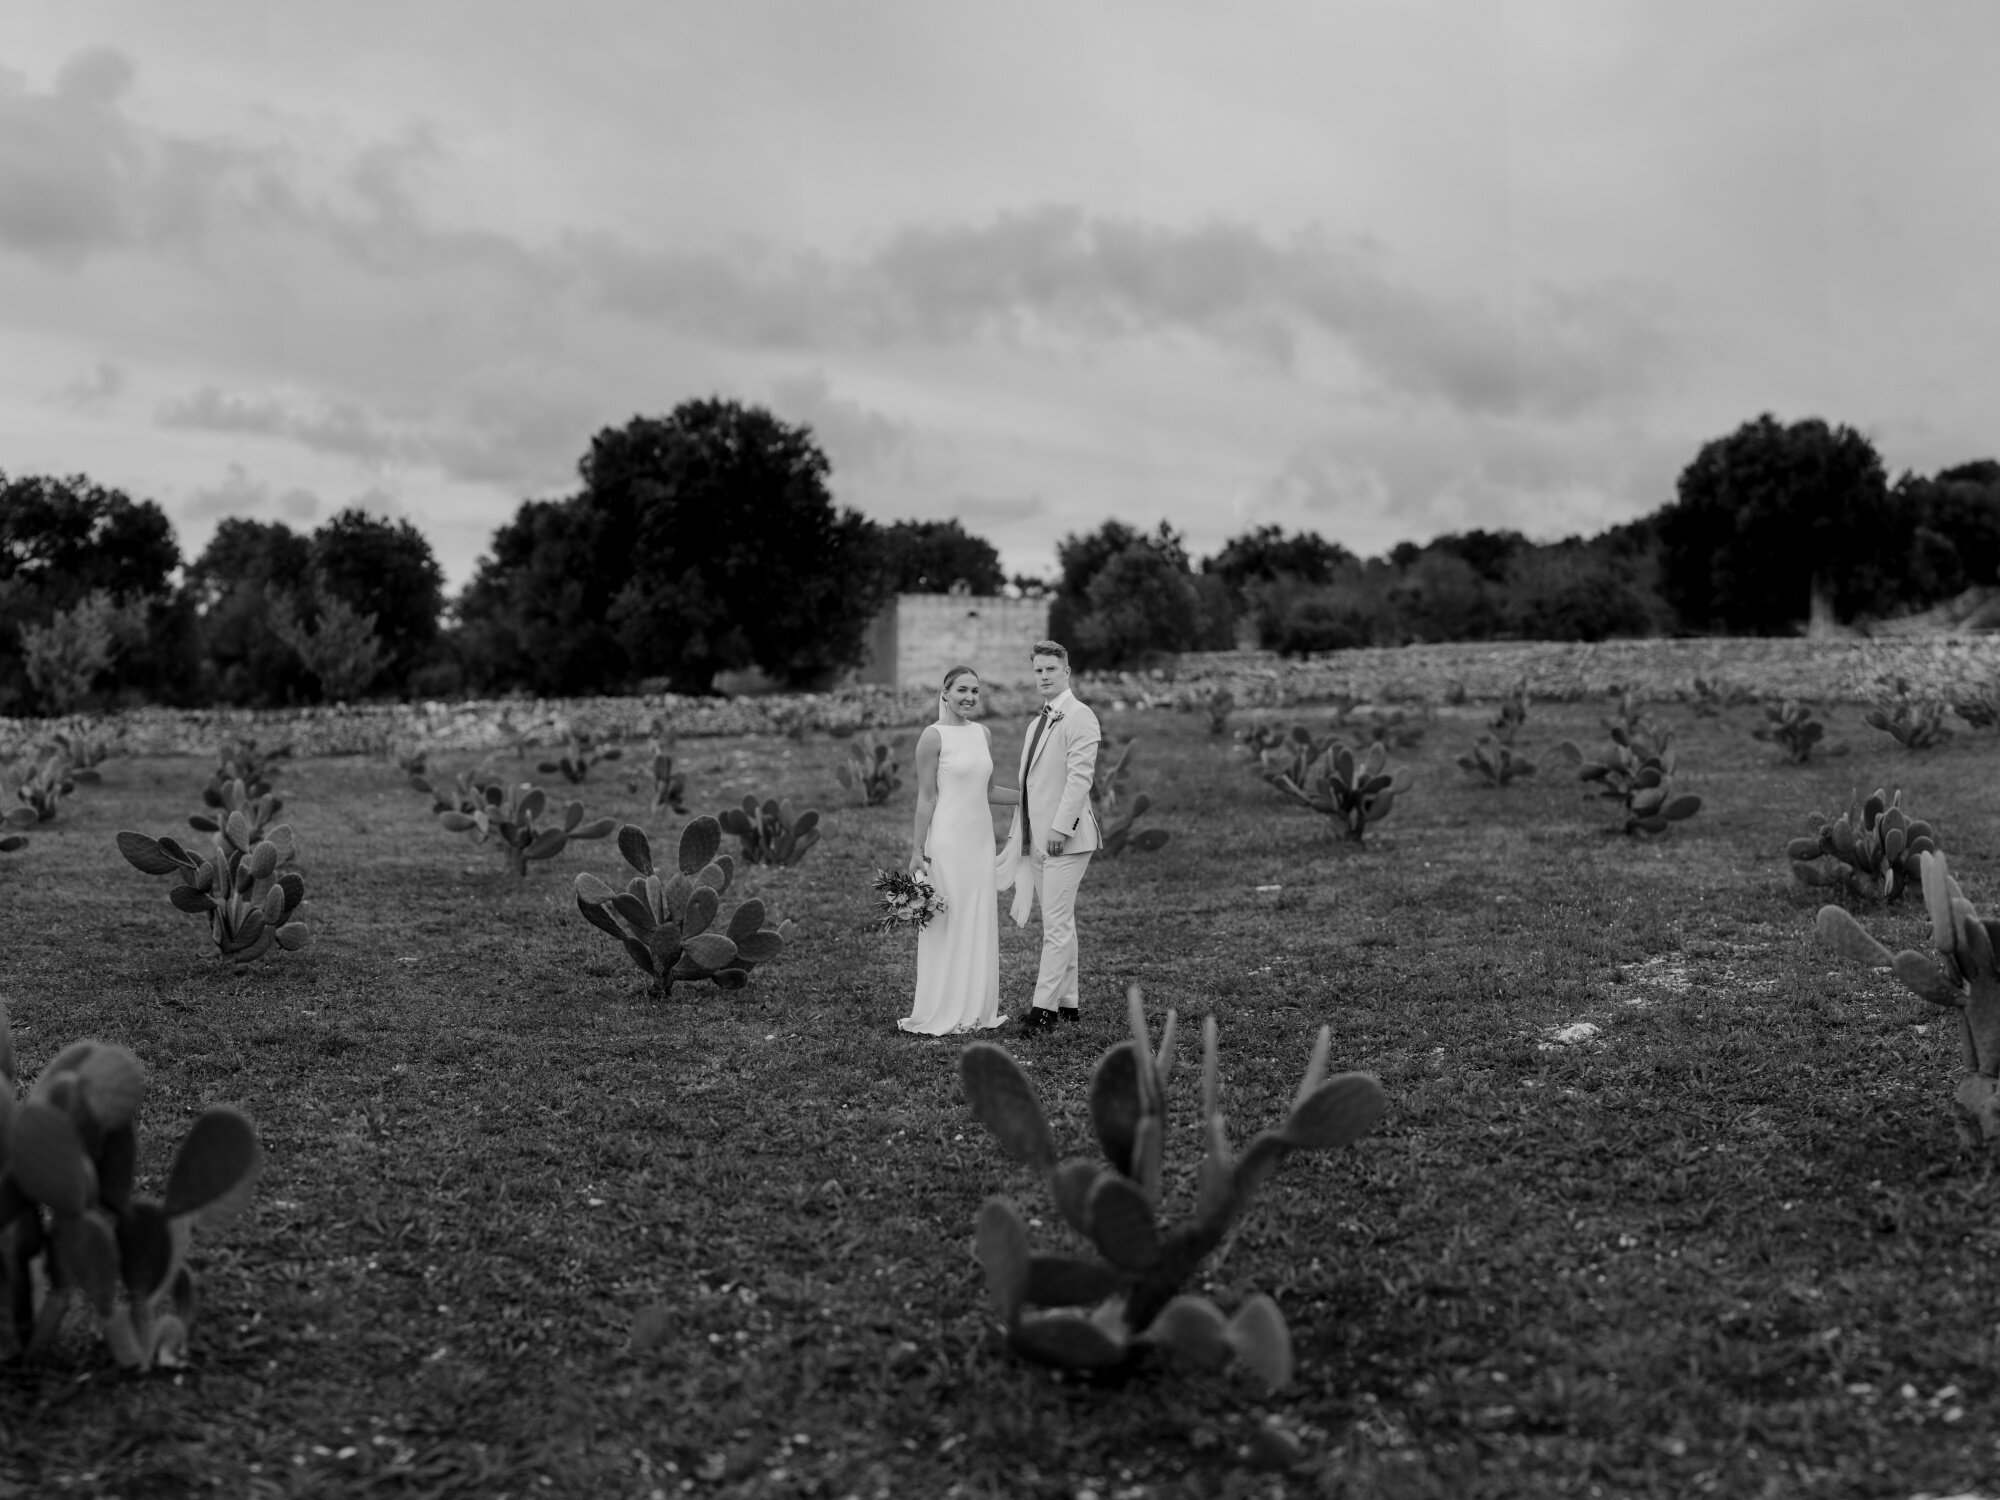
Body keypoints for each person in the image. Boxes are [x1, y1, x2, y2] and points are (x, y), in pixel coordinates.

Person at [899, 665, 1020, 1035]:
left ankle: (977, 1009)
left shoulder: (982, 733)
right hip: (948, 842)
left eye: (975, 691)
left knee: (978, 917)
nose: (969, 697)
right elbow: (926, 797)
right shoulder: (932, 737)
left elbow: (988, 790)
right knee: (949, 922)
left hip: (980, 842)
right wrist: (918, 849)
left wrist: (1031, 799)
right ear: (945, 693)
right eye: (962, 690)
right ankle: (943, 1006)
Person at [995, 640, 1101, 1035]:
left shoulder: (1080, 716)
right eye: (1038, 670)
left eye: (1051, 670)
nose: (1043, 676)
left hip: (1065, 839)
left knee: (1055, 925)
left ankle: (1044, 1011)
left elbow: (1080, 778)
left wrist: (1059, 828)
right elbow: (1030, 785)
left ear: (1067, 673)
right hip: (1036, 837)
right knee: (1060, 921)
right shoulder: (1037, 721)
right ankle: (1069, 1003)